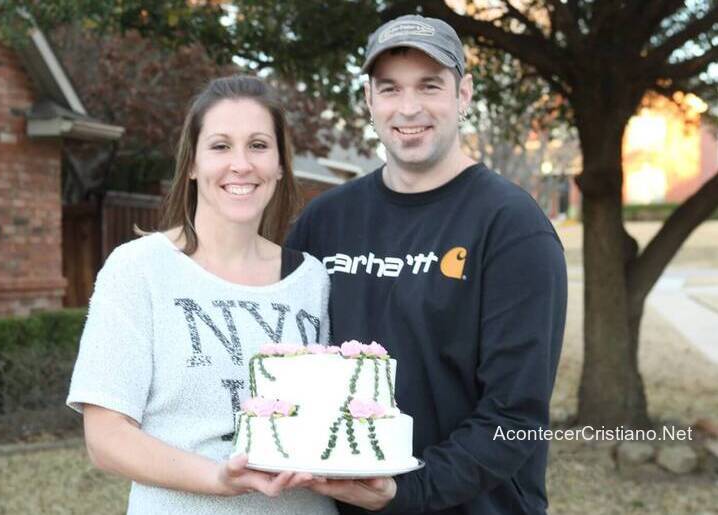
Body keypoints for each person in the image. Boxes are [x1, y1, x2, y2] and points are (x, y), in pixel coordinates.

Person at [287, 15, 568, 515]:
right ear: (369, 100)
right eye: (390, 88)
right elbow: (287, 362)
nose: (408, 108)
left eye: (429, 86)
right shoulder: (324, 221)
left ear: (463, 95)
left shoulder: (511, 227)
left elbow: (514, 413)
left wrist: (405, 491)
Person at [66, 75, 337, 514]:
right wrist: (217, 477)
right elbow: (106, 438)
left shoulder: (312, 278)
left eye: (258, 145)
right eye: (220, 146)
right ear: (191, 163)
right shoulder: (139, 269)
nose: (241, 164)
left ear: (281, 164)